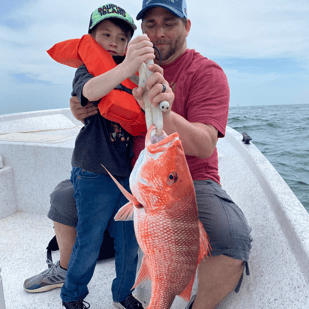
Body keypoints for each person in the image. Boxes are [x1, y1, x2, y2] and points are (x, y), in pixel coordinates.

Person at [24, 1, 252, 309]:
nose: (159, 34)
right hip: (130, 172)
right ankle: (66, 271)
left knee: (231, 237)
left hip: (188, 179)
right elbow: (95, 96)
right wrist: (80, 108)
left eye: (169, 24)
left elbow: (205, 144)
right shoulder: (125, 66)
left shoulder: (205, 72)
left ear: (186, 27)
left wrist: (162, 111)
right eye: (151, 25)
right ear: (141, 31)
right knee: (63, 199)